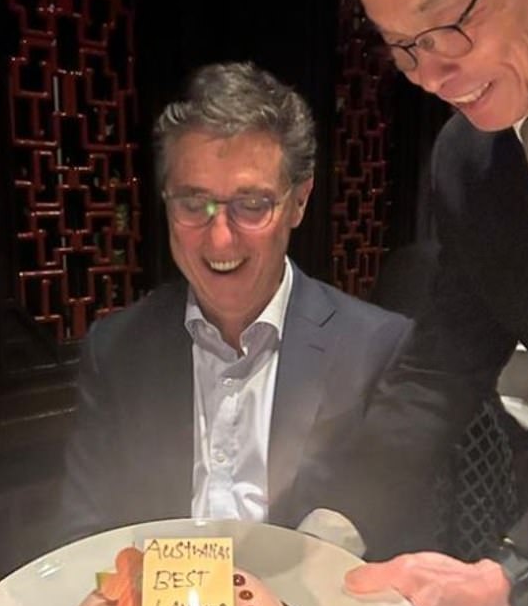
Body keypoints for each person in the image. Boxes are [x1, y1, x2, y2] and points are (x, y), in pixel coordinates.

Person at [59, 62, 410, 544]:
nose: (220, 240)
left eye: (251, 206)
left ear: (299, 201)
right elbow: (87, 536)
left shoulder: (378, 350)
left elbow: (402, 540)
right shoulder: (116, 350)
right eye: (192, 203)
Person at [332, 0, 528, 606]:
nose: (430, 73)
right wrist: (332, 530)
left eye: (448, 20)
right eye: (401, 44)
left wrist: (505, 578)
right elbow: (440, 367)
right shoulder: (468, 162)